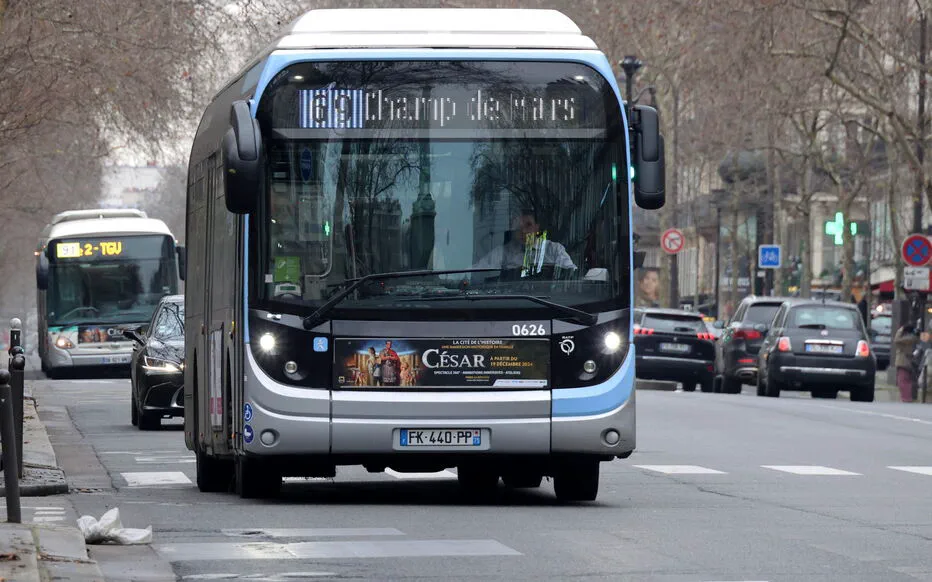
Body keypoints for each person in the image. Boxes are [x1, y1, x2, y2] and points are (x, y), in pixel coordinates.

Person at [473, 210, 576, 275]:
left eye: (528, 225)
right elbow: (475, 271)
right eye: (519, 227)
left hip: (549, 301)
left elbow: (571, 274)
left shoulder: (554, 249)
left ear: (537, 227)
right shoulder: (503, 252)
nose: (523, 231)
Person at [894, 324, 919, 402]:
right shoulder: (911, 338)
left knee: (903, 380)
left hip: (904, 361)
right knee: (905, 380)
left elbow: (896, 340)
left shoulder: (908, 338)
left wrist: (900, 330)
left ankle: (907, 397)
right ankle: (907, 397)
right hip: (905, 361)